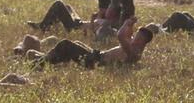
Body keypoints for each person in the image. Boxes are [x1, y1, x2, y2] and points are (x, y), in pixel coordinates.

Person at [25, 17, 154, 68]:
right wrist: (130, 25)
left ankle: (39, 63)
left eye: (137, 37)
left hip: (96, 61)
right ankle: (47, 59)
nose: (134, 38)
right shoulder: (133, 47)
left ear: (143, 41)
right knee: (75, 43)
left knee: (66, 44)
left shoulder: (134, 52)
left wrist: (126, 24)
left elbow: (121, 36)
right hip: (97, 56)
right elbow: (126, 36)